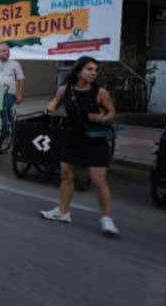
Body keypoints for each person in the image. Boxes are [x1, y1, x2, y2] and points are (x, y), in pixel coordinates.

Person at [40, 56, 119, 237]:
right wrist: (50, 107)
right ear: (78, 71)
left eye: (95, 70)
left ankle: (107, 219)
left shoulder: (100, 92)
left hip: (95, 139)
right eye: (89, 69)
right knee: (67, 176)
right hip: (73, 138)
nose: (94, 73)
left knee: (98, 180)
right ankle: (63, 211)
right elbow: (55, 101)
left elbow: (112, 113)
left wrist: (101, 118)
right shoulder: (65, 89)